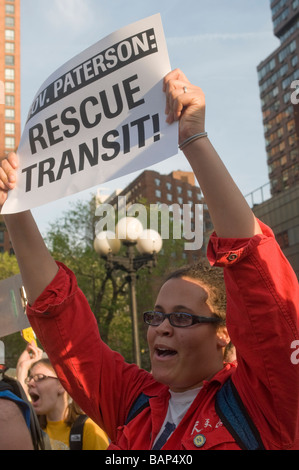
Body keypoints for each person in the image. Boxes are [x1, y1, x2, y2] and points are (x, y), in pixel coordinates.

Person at [0, 68, 298, 450]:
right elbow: (67, 332)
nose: (162, 328)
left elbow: (261, 282)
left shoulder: (263, 404)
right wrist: (15, 208)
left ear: (225, 333)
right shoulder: (135, 402)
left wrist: (193, 139)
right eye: (156, 315)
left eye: (183, 317)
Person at [16, 342, 109, 450]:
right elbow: (22, 405)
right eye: (30, 378)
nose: (31, 383)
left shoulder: (89, 429)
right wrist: (22, 368)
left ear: (62, 385)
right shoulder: (34, 428)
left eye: (40, 377)